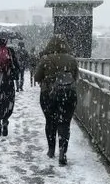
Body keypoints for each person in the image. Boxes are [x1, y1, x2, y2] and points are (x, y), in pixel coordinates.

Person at [33, 35, 78, 165]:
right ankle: (63, 152)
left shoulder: (45, 59)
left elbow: (37, 77)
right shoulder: (72, 59)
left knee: (50, 122)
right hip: (69, 94)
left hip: (49, 94)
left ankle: (51, 150)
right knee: (64, 123)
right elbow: (75, 77)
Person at [0, 38, 20, 136]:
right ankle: (5, 121)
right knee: (7, 100)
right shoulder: (10, 52)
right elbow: (16, 66)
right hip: (7, 80)